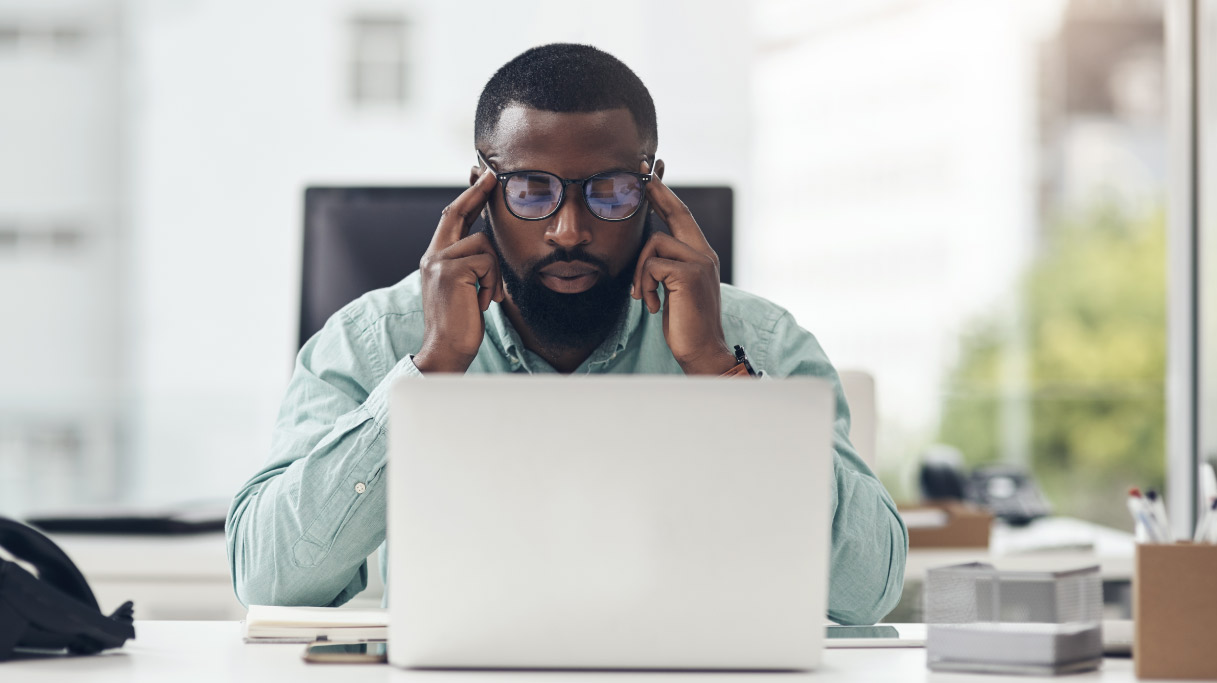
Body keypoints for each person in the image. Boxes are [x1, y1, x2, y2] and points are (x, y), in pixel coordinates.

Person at [226, 43, 906, 625]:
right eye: (530, 189)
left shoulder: (755, 338)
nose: (570, 230)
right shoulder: (376, 338)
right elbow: (268, 580)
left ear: (654, 188)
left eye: (610, 189)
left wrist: (719, 373)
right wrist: (428, 373)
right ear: (480, 192)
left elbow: (868, 591)